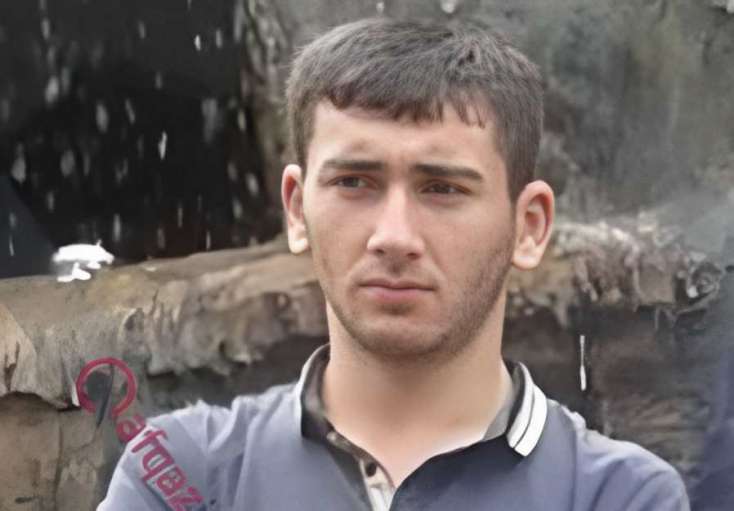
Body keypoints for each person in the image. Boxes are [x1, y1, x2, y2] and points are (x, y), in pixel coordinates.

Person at [98, 17, 690, 510]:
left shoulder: (620, 495)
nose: (395, 237)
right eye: (355, 182)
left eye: (443, 189)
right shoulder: (183, 476)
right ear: (297, 210)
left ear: (528, 225)